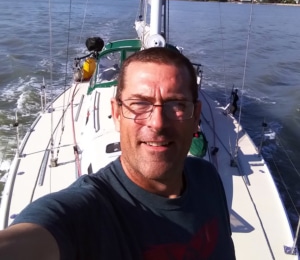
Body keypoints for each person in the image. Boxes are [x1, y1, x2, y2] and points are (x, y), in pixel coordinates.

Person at [0, 47, 235, 259]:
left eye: (176, 104)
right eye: (140, 104)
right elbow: (33, 238)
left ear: (196, 116)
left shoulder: (208, 178)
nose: (158, 123)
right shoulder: (86, 212)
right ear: (117, 112)